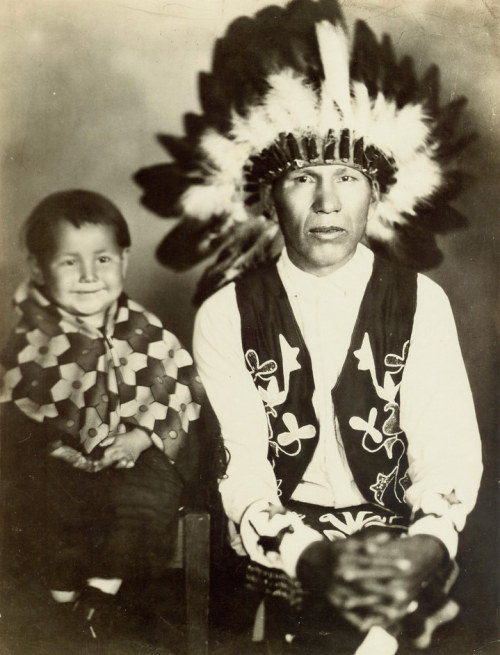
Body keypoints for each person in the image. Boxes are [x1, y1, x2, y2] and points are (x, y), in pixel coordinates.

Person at [134, 0, 483, 651]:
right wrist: (312, 556)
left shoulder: (419, 302)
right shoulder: (227, 313)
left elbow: (449, 450)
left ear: (376, 194)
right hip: (278, 548)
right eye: (302, 177)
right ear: (269, 197)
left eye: (347, 176)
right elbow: (241, 476)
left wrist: (426, 543)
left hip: (399, 540)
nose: (327, 202)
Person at [0, 190, 203, 645]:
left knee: (152, 493)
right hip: (57, 460)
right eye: (70, 262)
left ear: (125, 260)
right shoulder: (34, 337)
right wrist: (53, 446)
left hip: (132, 455)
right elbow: (16, 406)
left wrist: (138, 439)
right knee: (36, 496)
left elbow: (177, 390)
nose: (90, 276)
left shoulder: (144, 330)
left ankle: (102, 596)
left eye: (104, 259)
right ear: (38, 268)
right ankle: (63, 602)